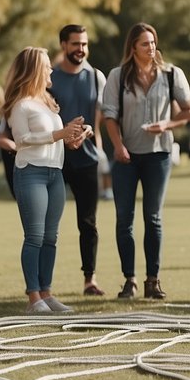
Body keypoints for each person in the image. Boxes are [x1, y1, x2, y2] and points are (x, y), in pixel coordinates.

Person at [101, 22, 190, 300]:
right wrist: (118, 147)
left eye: (153, 42)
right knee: (124, 220)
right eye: (145, 43)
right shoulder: (117, 76)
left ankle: (152, 281)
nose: (151, 48)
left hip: (159, 155)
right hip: (126, 157)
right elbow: (109, 116)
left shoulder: (171, 74)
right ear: (133, 48)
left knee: (153, 218)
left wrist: (167, 124)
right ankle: (129, 280)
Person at [4, 47, 89, 313]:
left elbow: (55, 138)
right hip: (31, 172)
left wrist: (73, 137)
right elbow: (22, 140)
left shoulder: (47, 102)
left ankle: (47, 293)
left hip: (55, 173)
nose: (51, 70)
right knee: (35, 236)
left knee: (51, 237)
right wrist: (59, 133)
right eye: (47, 66)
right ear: (33, 70)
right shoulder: (20, 104)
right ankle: (33, 298)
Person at [48, 24, 107, 295]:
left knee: (88, 222)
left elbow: (98, 120)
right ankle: (43, 285)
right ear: (63, 45)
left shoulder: (96, 77)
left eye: (84, 44)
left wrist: (88, 132)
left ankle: (90, 279)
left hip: (87, 160)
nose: (80, 49)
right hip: (55, 160)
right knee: (49, 223)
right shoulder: (48, 78)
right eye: (75, 44)